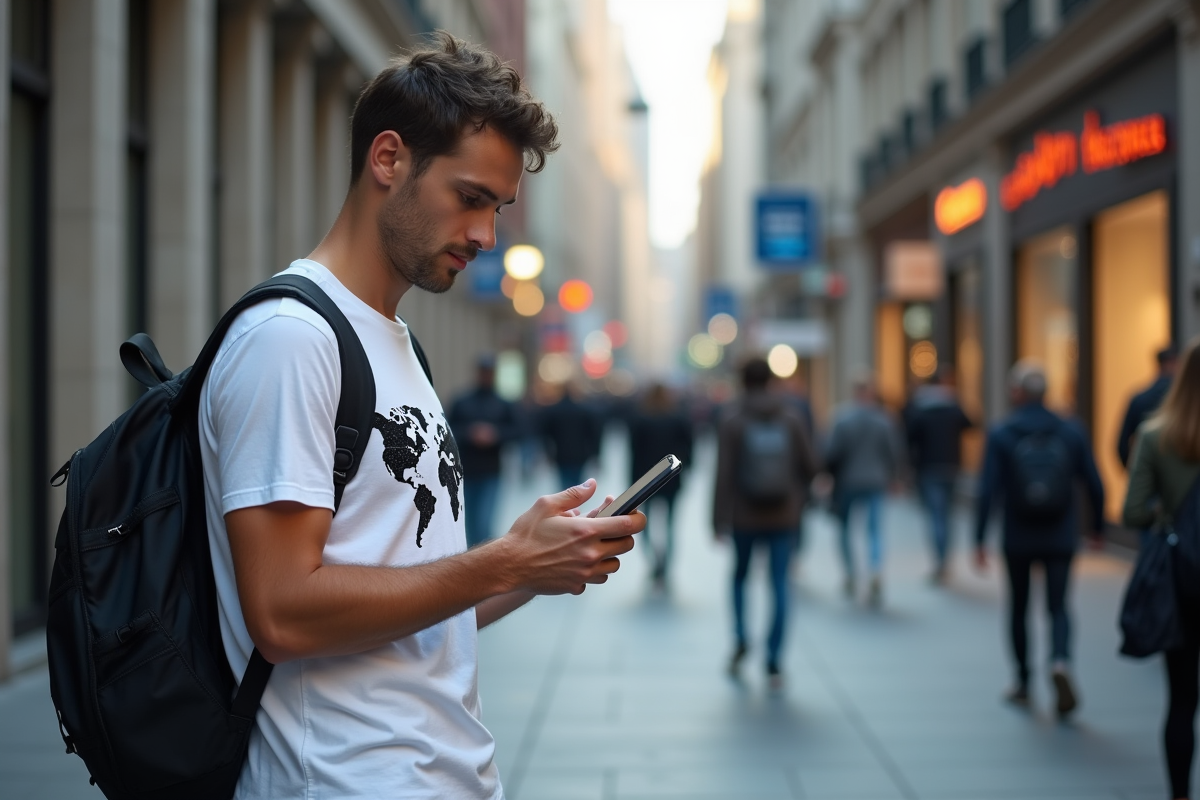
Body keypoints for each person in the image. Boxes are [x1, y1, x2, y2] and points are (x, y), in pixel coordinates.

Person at [199, 34, 643, 799]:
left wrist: (535, 563)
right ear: (388, 159)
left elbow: (418, 603)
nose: (486, 236)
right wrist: (503, 562)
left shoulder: (397, 344)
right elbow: (282, 612)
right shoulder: (291, 339)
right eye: (470, 198)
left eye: (497, 209)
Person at [974, 361, 1104, 717]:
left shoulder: (1003, 432)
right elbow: (1094, 482)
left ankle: (1023, 680)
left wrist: (979, 538)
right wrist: (1097, 529)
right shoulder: (1071, 430)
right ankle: (1060, 660)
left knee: (1019, 607)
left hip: (1018, 534)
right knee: (1059, 606)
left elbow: (988, 489)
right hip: (1060, 532)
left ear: (1016, 392)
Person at [1122, 338, 1200, 800]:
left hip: (1183, 579)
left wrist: (1171, 519)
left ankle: (1180, 793)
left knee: (1182, 698)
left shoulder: (1156, 435)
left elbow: (1132, 512)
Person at [713, 358, 819, 686]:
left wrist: (717, 520)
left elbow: (724, 473)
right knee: (780, 583)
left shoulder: (733, 419)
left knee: (740, 577)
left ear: (742, 382)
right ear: (770, 381)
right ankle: (774, 659)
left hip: (744, 516)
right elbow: (810, 466)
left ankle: (741, 637)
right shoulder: (791, 416)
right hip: (784, 515)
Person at [824, 375, 905, 607]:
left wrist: (828, 476)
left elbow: (832, 452)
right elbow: (894, 451)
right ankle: (875, 569)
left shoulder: (842, 418)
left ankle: (851, 573)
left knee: (844, 529)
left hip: (848, 481)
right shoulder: (884, 419)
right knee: (874, 529)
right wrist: (895, 477)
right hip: (875, 481)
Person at [905, 368, 974, 583]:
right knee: (946, 515)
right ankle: (944, 560)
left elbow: (910, 436)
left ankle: (941, 561)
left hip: (930, 468)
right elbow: (971, 423)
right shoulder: (952, 406)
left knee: (937, 515)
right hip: (950, 466)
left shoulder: (921, 408)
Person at [628, 382, 695, 587]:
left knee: (644, 523)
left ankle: (654, 562)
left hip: (646, 481)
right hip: (671, 478)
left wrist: (632, 483)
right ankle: (665, 565)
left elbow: (634, 453)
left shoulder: (641, 419)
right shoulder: (678, 418)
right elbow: (689, 448)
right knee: (670, 525)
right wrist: (686, 468)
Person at [448, 355, 519, 547]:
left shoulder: (503, 403)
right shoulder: (462, 401)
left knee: (484, 521)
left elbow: (518, 431)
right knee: (468, 521)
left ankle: (483, 556)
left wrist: (495, 435)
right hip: (465, 471)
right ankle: (474, 556)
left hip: (491, 471)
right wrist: (470, 433)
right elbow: (448, 429)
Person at [1118, 344, 1179, 467]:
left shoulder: (1139, 399)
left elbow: (1121, 446)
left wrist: (1137, 469)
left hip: (1148, 467)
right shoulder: (1183, 399)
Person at [539, 381, 603, 489]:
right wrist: (596, 454)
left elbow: (546, 434)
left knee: (564, 482)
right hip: (580, 454)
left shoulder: (554, 410)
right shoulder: (584, 411)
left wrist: (548, 453)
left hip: (561, 454)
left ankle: (566, 498)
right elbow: (593, 434)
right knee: (577, 483)